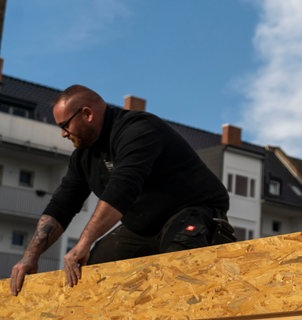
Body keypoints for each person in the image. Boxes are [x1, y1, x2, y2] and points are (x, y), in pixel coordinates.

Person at [9, 85, 235, 296]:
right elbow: (62, 205)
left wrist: (83, 242)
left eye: (64, 125)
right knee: (96, 265)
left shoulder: (138, 129)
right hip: (145, 228)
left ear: (87, 114)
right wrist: (30, 257)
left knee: (178, 259)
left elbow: (122, 189)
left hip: (193, 210)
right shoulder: (84, 157)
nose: (63, 134)